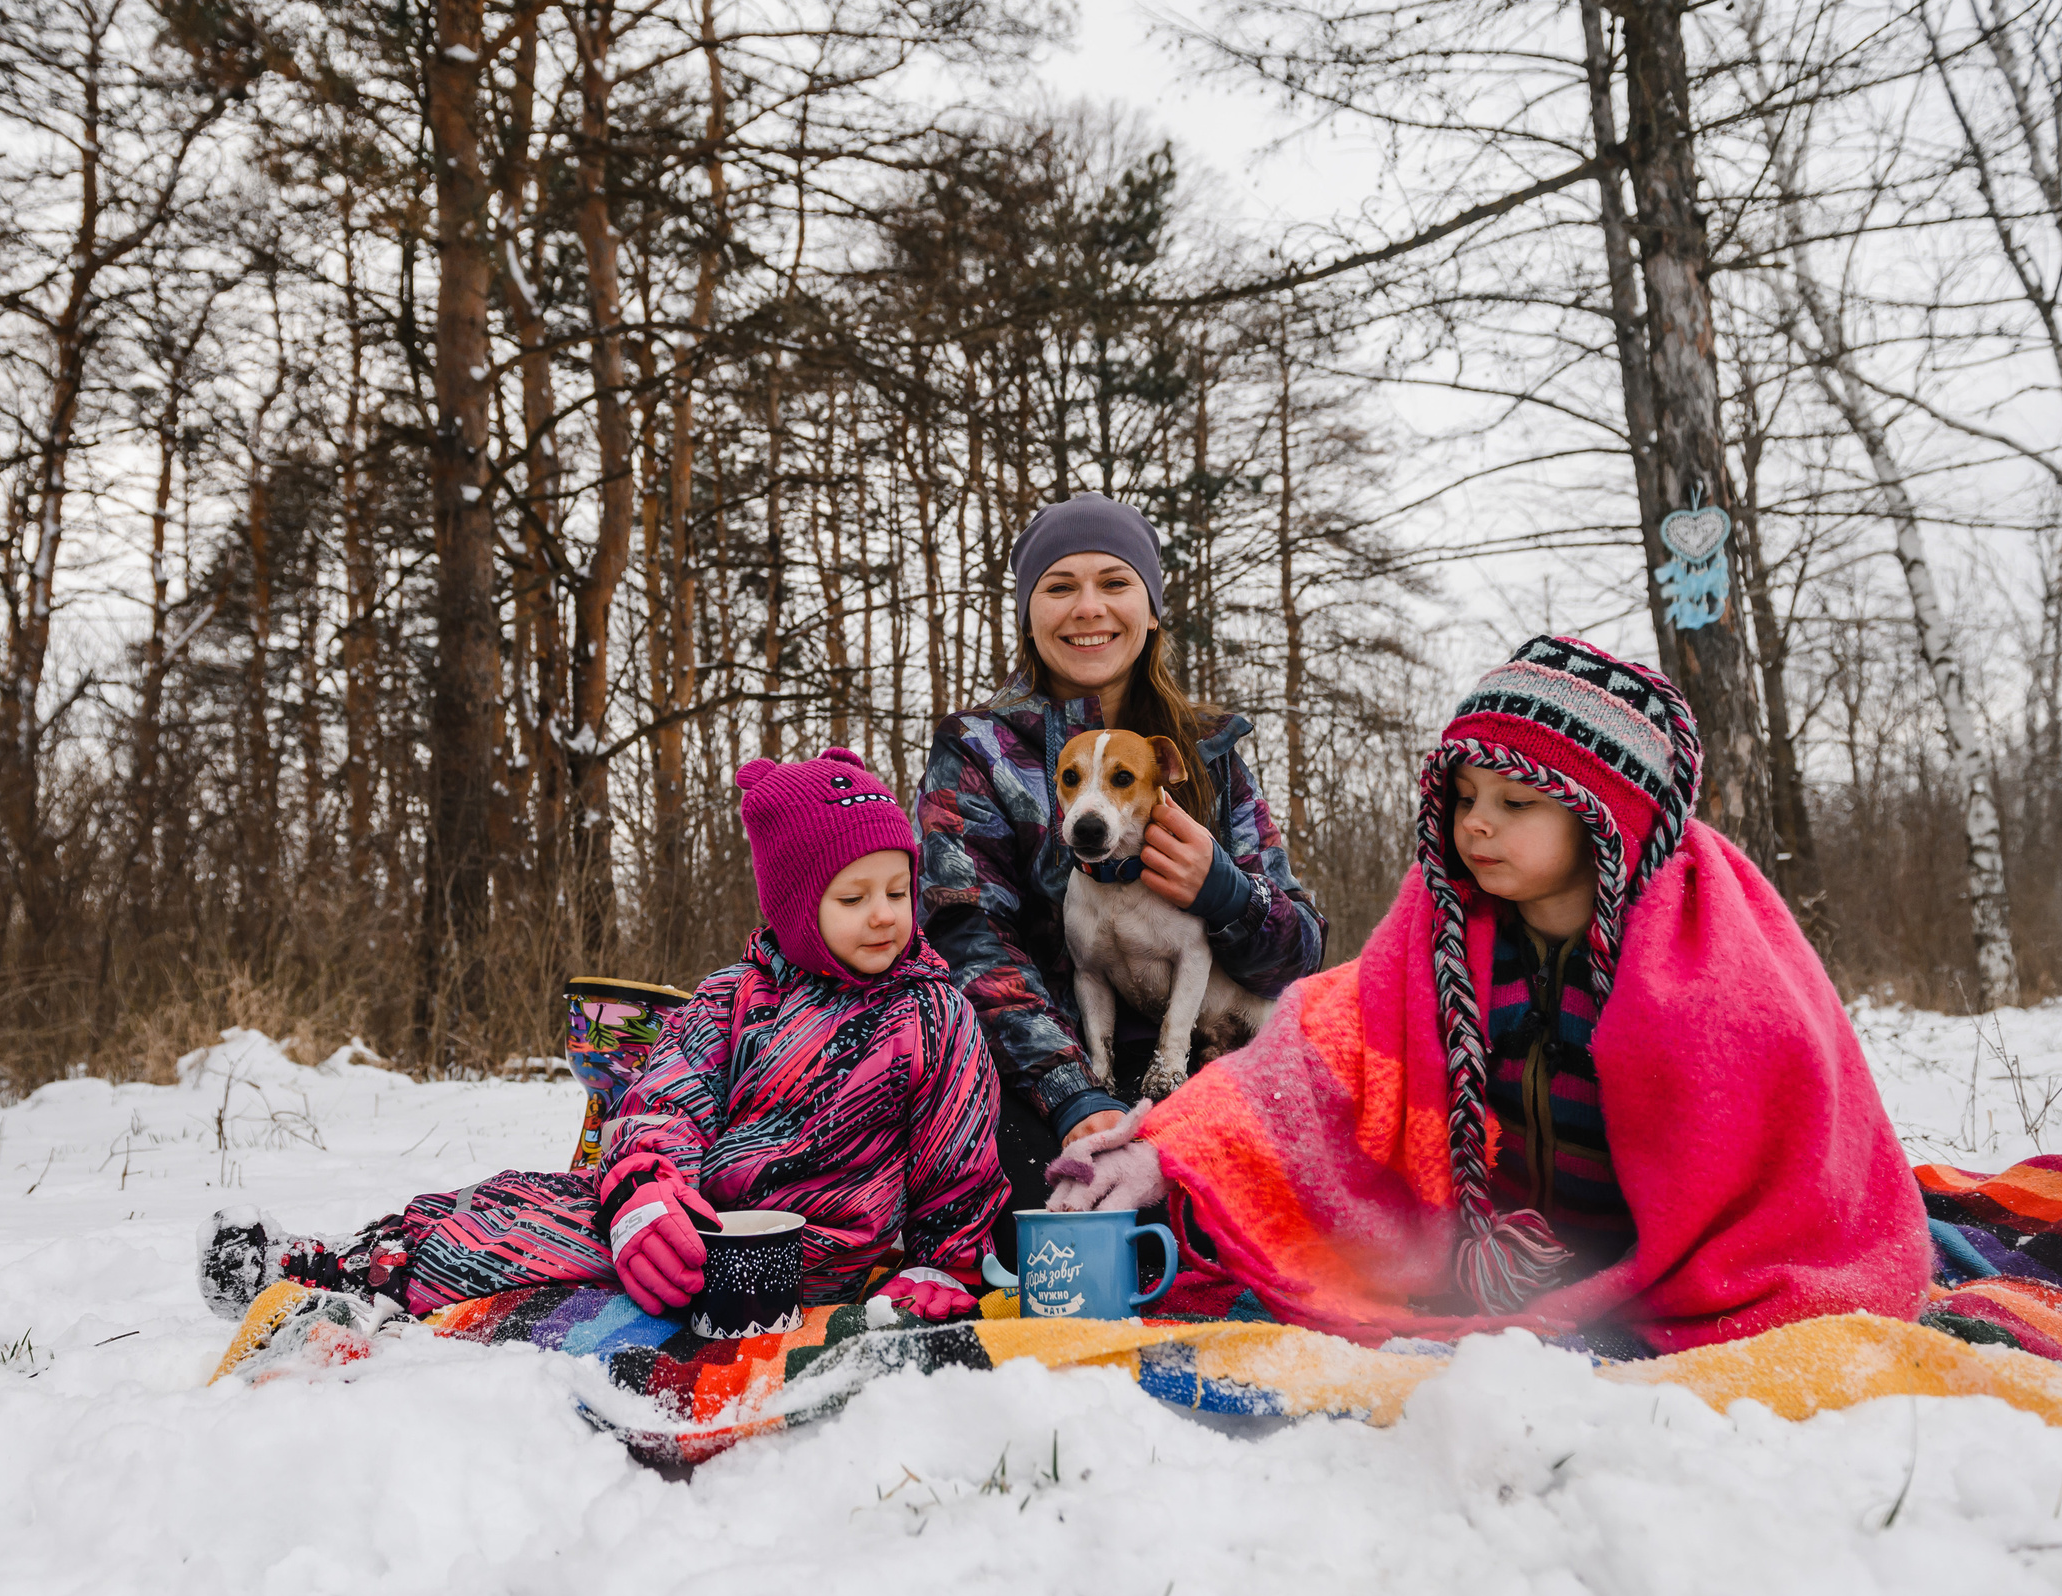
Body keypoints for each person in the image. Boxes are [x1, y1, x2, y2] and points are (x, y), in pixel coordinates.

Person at [1047, 636, 1931, 1350]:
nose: (1475, 824)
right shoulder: (1442, 936)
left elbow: (1794, 1135)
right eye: (1466, 795)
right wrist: (1168, 1149)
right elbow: (1314, 1056)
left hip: (1660, 1256)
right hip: (1497, 1256)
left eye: (1516, 803)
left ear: (1603, 816)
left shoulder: (1711, 965)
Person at [200, 750, 1007, 1327]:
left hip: (822, 1262)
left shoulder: (933, 1015)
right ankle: (333, 1269)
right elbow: (661, 1106)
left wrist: (940, 1263)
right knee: (520, 1208)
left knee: (550, 1233)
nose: (883, 915)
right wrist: (645, 1194)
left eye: (896, 890)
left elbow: (959, 1166)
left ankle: (368, 1276)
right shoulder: (734, 999)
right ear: (795, 907)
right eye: (853, 898)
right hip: (689, 1233)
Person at [913, 493, 1325, 1238]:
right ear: (1028, 614)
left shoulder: (1207, 749)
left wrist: (1229, 895)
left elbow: (1300, 953)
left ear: (1152, 609)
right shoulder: (978, 750)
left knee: (1281, 1209)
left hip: (1217, 1060)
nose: (1088, 608)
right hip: (1044, 1082)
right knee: (1049, 1226)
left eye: (1114, 581)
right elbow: (966, 942)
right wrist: (1073, 1093)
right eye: (1059, 586)